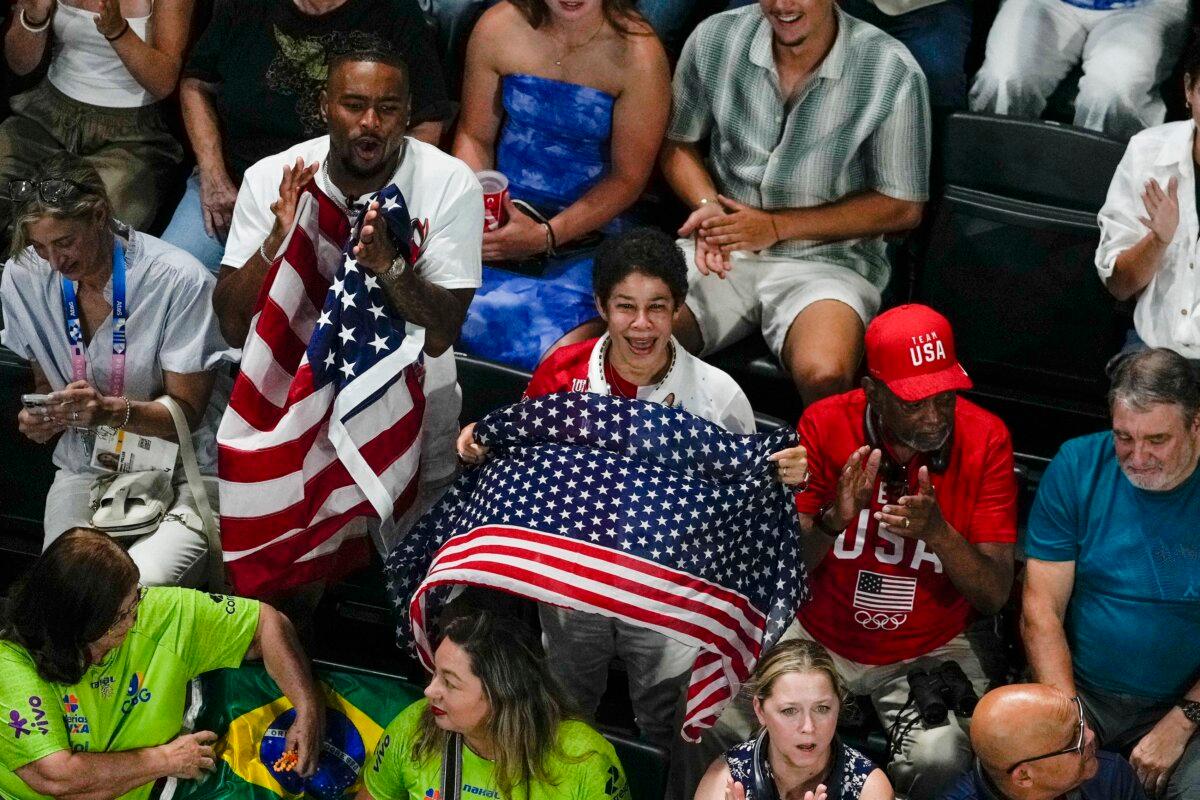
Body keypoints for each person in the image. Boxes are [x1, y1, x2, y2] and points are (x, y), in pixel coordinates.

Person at [456, 227, 810, 751]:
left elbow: (747, 499)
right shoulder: (561, 372)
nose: (641, 325)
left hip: (669, 592)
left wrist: (784, 475)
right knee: (568, 708)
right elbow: (523, 454)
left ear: (679, 307)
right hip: (573, 585)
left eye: (657, 307)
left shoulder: (718, 395)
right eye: (625, 306)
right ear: (601, 305)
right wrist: (479, 444)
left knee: (667, 719)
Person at [675, 304, 1016, 800]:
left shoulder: (987, 438)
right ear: (873, 391)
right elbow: (781, 570)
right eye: (915, 402)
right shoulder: (824, 423)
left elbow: (993, 596)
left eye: (945, 396)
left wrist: (939, 534)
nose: (935, 415)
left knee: (942, 757)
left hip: (928, 644)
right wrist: (835, 518)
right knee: (709, 713)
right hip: (816, 630)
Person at [215, 47, 482, 553]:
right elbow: (231, 325)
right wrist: (277, 241)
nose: (370, 122)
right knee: (296, 585)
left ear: (407, 113)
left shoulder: (450, 184)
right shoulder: (273, 178)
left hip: (411, 410)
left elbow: (444, 331)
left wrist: (390, 266)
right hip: (300, 406)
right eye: (353, 105)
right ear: (323, 106)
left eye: (387, 108)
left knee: (410, 581)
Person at [660, 0, 929, 407]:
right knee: (640, 337)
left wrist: (776, 226)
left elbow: (903, 205)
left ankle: (826, 470)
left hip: (828, 262)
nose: (783, 4)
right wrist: (707, 205)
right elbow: (677, 143)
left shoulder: (891, 68)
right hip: (724, 245)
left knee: (826, 373)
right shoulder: (716, 36)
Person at [0, 152, 233, 586]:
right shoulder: (22, 276)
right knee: (67, 589)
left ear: (100, 216)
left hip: (185, 470)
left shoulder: (178, 279)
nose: (54, 263)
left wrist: (108, 411)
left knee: (137, 589)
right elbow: (45, 383)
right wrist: (43, 418)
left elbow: (187, 413)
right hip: (88, 466)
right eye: (39, 246)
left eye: (65, 241)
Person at [0, 527, 323, 800]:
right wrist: (164, 760)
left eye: (134, 602)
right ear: (75, 625)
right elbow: (57, 778)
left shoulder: (154, 614)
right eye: (118, 618)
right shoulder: (11, 665)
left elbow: (266, 623)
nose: (132, 622)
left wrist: (308, 709)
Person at [452, 0, 671, 372]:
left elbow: (628, 179)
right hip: (503, 215)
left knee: (558, 359)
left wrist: (546, 235)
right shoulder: (498, 26)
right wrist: (476, 212)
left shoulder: (640, 53)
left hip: (591, 233)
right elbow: (474, 137)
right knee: (433, 310)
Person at [1023, 348, 1200, 800]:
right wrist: (1070, 718)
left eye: (1157, 439)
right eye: (1124, 436)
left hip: (1189, 702)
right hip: (1081, 690)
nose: (1137, 456)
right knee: (1031, 774)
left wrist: (1182, 722)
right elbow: (1041, 609)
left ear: (1196, 424)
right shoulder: (1079, 464)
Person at [161, 0, 454, 274]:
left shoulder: (394, 12)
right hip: (233, 186)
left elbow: (427, 119)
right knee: (171, 272)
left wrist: (379, 198)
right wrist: (213, 177)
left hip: (346, 199)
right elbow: (196, 84)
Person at [358, 610, 631, 800]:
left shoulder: (584, 759)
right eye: (435, 674)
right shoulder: (415, 726)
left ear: (502, 694)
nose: (430, 691)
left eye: (450, 683)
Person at [0, 0, 190, 235]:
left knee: (87, 224)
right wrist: (34, 17)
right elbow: (19, 65)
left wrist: (118, 31)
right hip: (45, 117)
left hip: (131, 138)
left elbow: (164, 82)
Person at [1096, 36, 1200, 359]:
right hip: (1154, 349)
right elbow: (1119, 285)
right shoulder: (1146, 152)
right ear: (1188, 89)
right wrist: (1158, 240)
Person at [694, 639, 893, 800]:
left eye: (822, 708)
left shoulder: (869, 789)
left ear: (838, 706)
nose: (808, 727)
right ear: (760, 710)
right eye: (789, 711)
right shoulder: (725, 779)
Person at [968, 0, 1189, 141]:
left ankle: (1105, 193)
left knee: (1110, 94)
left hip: (1146, 6)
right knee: (1002, 79)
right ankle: (993, 177)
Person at [942, 684, 1146, 800]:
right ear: (1024, 776)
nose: (1090, 736)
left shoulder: (1112, 776)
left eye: (1080, 723)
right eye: (1073, 740)